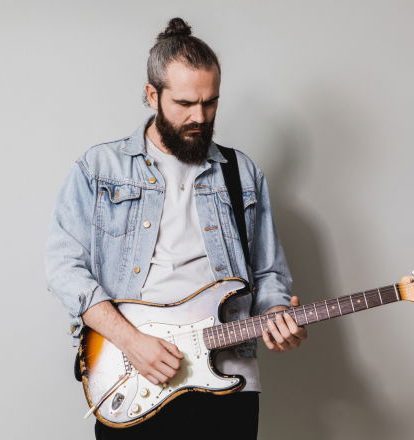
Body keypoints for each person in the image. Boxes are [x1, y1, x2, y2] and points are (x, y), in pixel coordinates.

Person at [45, 17, 307, 439]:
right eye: (185, 103)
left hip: (230, 378)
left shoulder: (242, 173)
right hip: (135, 374)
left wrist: (277, 315)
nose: (199, 117)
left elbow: (268, 272)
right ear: (152, 95)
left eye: (210, 103)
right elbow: (64, 268)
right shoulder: (100, 168)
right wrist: (132, 342)